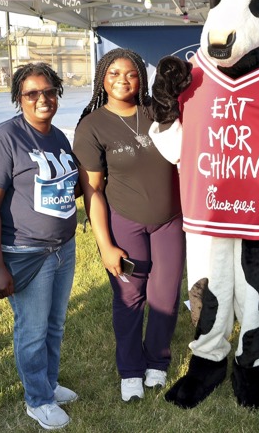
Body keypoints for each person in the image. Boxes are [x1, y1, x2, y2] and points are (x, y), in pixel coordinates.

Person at [73, 48, 185, 402]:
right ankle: (131, 370)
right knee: (129, 298)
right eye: (114, 73)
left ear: (142, 78)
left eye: (131, 74)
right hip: (125, 221)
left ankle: (157, 361)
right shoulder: (92, 126)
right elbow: (92, 189)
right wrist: (105, 245)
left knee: (165, 296)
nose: (123, 80)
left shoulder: (158, 111)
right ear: (102, 79)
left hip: (170, 221)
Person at [0, 62, 79, 430]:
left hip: (63, 249)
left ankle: (47, 383)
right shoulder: (5, 138)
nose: (42, 99)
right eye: (32, 93)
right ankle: (38, 400)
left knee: (55, 325)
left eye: (49, 91)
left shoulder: (58, 136)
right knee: (32, 330)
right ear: (18, 98)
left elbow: (66, 186)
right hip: (26, 252)